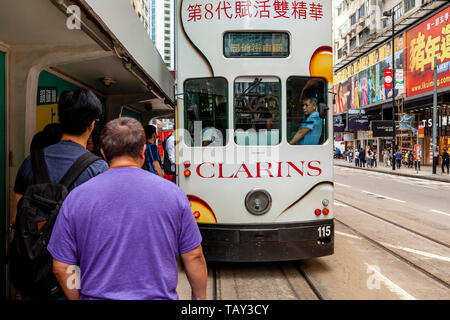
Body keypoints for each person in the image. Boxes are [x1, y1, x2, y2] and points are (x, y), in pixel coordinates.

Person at [48, 117, 207, 300]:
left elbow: (61, 266)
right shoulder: (174, 194)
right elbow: (194, 255)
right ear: (143, 151)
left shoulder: (76, 198)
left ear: (103, 154)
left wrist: (79, 297)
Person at [12, 89, 109, 299]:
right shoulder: (99, 169)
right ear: (92, 125)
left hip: (34, 276)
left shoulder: (30, 162)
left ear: (61, 118)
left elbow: (16, 218)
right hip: (76, 281)